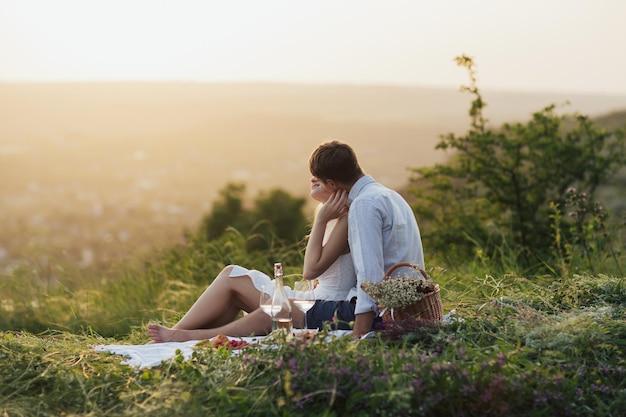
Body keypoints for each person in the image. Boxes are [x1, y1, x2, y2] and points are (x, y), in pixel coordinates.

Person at [147, 176, 355, 343]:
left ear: (334, 182)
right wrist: (322, 217)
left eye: (319, 175)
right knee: (232, 277)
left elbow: (310, 270)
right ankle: (175, 337)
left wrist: (320, 220)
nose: (312, 179)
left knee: (232, 280)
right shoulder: (328, 214)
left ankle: (181, 336)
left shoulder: (345, 219)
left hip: (320, 305)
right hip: (309, 296)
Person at [308, 140, 424, 339]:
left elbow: (369, 275)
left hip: (385, 314)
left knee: (276, 311)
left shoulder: (364, 205)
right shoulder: (390, 195)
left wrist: (359, 334)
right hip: (413, 306)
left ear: (332, 184)